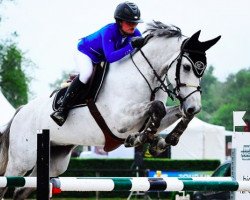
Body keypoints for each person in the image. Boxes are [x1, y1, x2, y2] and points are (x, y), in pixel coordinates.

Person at [51, 1, 145, 126]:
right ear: (119, 21)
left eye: (135, 23)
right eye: (129, 22)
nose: (133, 26)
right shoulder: (109, 31)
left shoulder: (136, 33)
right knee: (86, 73)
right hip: (85, 52)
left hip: (101, 57)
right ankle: (62, 109)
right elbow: (111, 57)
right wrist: (131, 46)